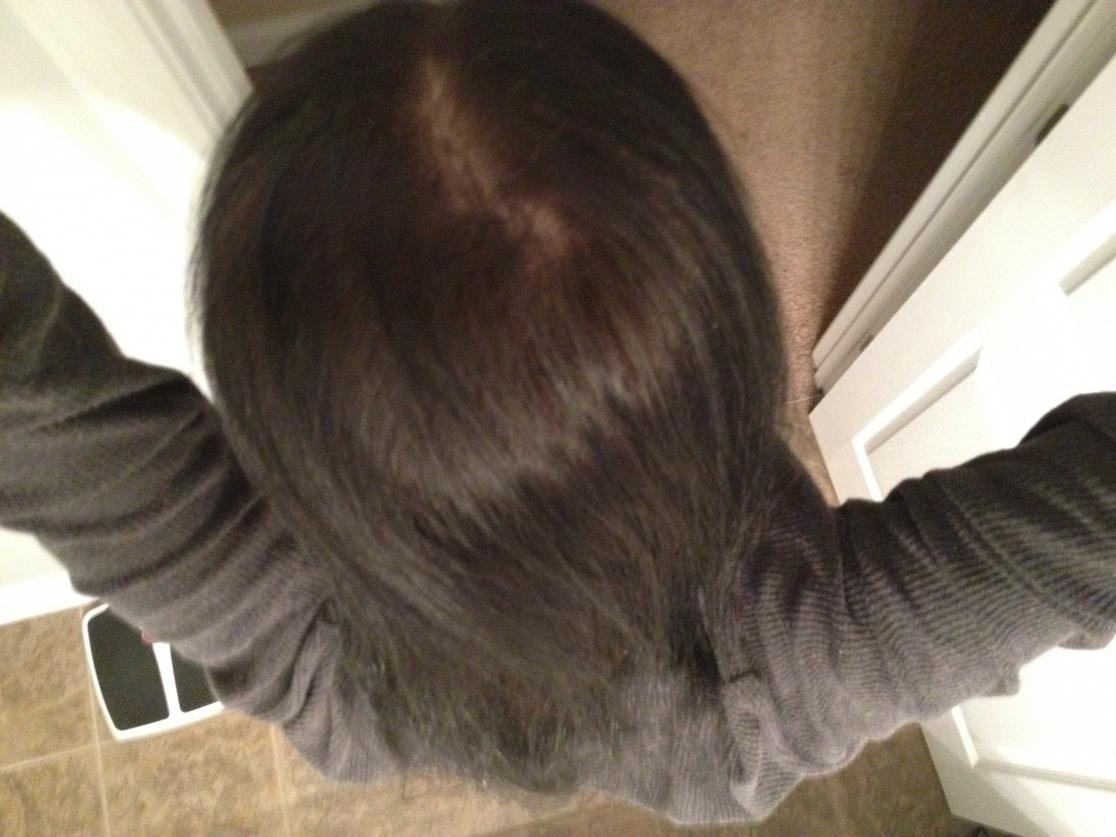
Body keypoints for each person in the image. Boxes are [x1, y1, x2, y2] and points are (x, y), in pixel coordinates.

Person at [1, 0, 1113, 826]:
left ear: (279, 426)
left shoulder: (290, 641)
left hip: (366, 698)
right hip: (709, 752)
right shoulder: (808, 662)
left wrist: (187, 568)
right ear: (732, 349)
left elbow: (30, 405)